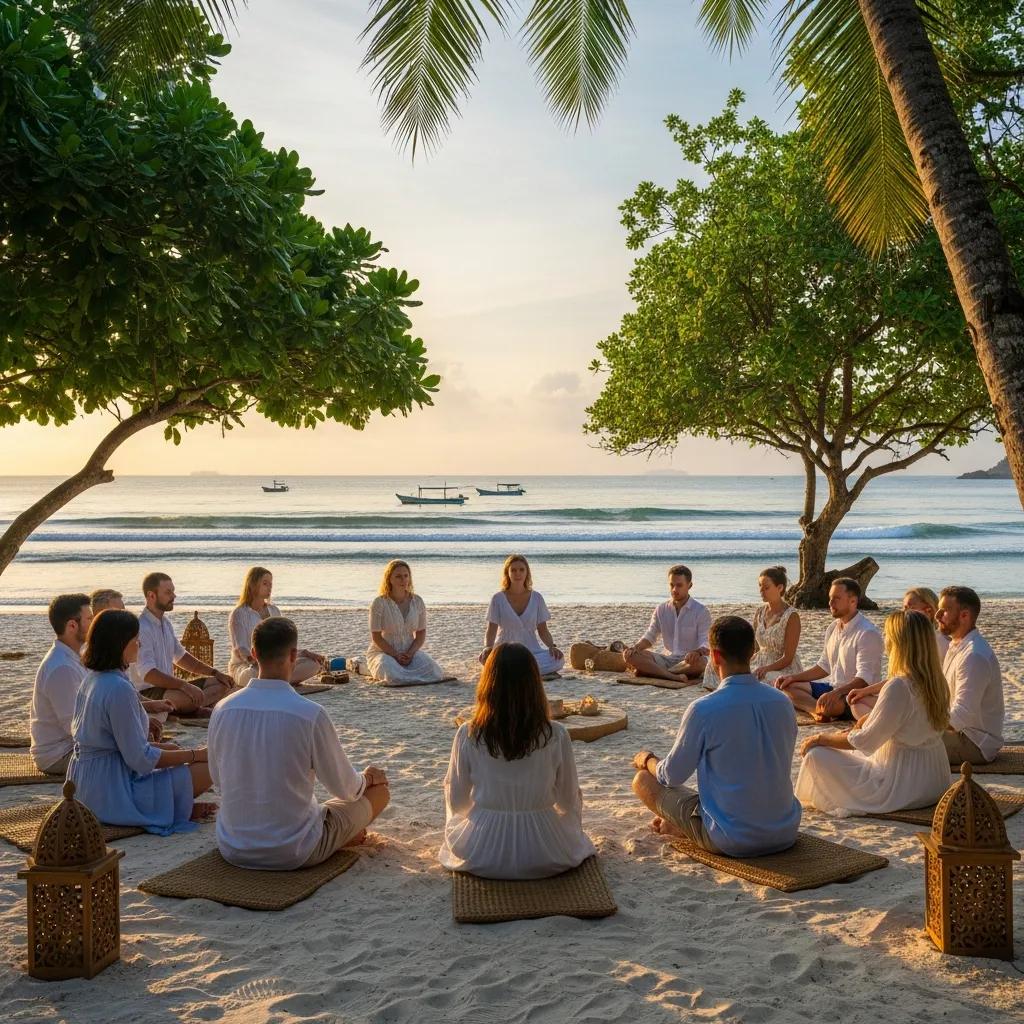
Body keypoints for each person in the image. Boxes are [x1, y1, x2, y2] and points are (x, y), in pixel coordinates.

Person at [209, 617, 390, 869]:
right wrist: (369, 778)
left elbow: (218, 781)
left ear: (253, 654)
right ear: (294, 655)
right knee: (378, 793)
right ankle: (339, 838)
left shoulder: (222, 709)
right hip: (293, 849)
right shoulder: (309, 714)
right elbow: (346, 789)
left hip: (233, 846)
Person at [631, 616, 800, 855]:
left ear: (715, 656)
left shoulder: (704, 709)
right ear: (752, 652)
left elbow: (671, 776)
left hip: (732, 838)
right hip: (785, 831)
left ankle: (684, 825)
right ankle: (683, 823)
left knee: (643, 780)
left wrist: (647, 759)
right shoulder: (782, 702)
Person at [439, 642, 595, 878]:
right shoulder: (556, 733)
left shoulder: (469, 734)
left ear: (488, 686)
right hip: (544, 852)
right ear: (535, 685)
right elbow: (567, 800)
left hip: (482, 853)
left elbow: (458, 801)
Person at [68, 609, 212, 834]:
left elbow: (115, 744)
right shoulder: (117, 687)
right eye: (135, 639)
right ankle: (167, 810)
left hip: (86, 783)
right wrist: (196, 754)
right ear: (121, 644)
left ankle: (176, 806)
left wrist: (171, 748)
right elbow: (140, 759)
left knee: (175, 750)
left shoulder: (93, 678)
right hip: (111, 793)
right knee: (209, 766)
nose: (139, 644)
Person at [796, 610, 951, 816]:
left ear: (899, 644)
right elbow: (907, 719)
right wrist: (868, 720)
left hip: (902, 786)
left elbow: (865, 741)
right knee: (849, 747)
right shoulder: (937, 682)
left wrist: (820, 738)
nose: (886, 642)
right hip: (935, 778)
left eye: (889, 637)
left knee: (816, 755)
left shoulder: (899, 686)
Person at [774, 578, 883, 721]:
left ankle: (822, 710)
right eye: (830, 598)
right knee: (788, 686)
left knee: (832, 705)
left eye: (837, 598)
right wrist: (793, 677)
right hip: (833, 687)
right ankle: (816, 711)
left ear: (853, 601)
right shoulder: (833, 628)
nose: (830, 603)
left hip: (856, 695)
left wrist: (836, 693)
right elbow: (824, 666)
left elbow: (864, 679)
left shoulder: (867, 633)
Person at [130, 572, 233, 713]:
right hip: (149, 692)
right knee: (189, 697)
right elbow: (148, 674)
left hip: (171, 688)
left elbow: (181, 657)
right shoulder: (142, 627)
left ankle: (193, 708)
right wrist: (184, 686)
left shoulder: (165, 623)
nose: (173, 596)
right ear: (151, 595)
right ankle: (192, 708)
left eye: (173, 591)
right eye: (168, 592)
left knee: (223, 684)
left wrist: (215, 673)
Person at [847, 586, 948, 720]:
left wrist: (867, 691)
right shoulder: (916, 641)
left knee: (861, 704)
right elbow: (902, 678)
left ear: (928, 611)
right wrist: (865, 691)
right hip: (912, 702)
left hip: (924, 707)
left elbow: (908, 681)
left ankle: (878, 729)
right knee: (858, 701)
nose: (903, 613)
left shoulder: (936, 642)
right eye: (903, 608)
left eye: (908, 608)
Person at [701, 566, 801, 690]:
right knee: (713, 665)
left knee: (764, 678)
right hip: (759, 661)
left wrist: (766, 668)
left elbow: (788, 658)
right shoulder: (760, 612)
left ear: (780, 588)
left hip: (781, 666)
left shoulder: (791, 616)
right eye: (760, 586)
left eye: (766, 587)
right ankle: (725, 694)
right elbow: (754, 647)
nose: (761, 591)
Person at [936, 585, 1004, 765]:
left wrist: (923, 724)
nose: (937, 616)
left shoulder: (974, 655)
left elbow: (961, 716)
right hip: (959, 733)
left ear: (964, 615)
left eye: (944, 611)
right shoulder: (957, 646)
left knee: (904, 742)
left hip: (974, 742)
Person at [227, 567, 324, 687]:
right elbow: (241, 649)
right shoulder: (239, 613)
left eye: (271, 584)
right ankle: (280, 680)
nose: (270, 587)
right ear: (252, 585)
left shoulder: (274, 611)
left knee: (313, 664)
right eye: (265, 583)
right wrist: (258, 663)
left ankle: (271, 681)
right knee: (253, 674)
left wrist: (305, 653)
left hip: (276, 664)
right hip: (246, 666)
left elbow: (283, 645)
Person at [29, 594, 92, 774]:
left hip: (71, 745)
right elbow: (76, 728)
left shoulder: (73, 656)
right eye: (89, 619)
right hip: (58, 754)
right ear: (72, 626)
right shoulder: (62, 668)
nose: (94, 623)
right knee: (125, 759)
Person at [624, 565, 711, 683]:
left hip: (688, 661)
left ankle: (657, 672)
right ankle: (672, 676)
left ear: (689, 585)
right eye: (671, 585)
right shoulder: (661, 609)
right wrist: (635, 648)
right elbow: (650, 636)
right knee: (630, 656)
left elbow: (705, 642)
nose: (674, 589)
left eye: (679, 585)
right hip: (666, 659)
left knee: (702, 663)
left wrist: (697, 652)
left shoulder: (701, 611)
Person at [480, 555, 564, 676]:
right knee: (486, 659)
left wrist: (552, 646)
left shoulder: (537, 598)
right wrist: (487, 647)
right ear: (507, 573)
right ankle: (525, 672)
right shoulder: (498, 598)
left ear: (527, 572)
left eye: (521, 570)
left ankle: (512, 672)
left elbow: (543, 630)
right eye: (513, 570)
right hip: (504, 651)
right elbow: (491, 629)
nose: (517, 573)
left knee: (558, 660)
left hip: (531, 651)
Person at [366, 560, 446, 684]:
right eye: (398, 576)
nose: (403, 580)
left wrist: (410, 653)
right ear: (389, 579)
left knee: (435, 671)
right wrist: (396, 655)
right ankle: (362, 666)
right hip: (385, 652)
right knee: (391, 674)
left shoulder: (417, 601)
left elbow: (421, 633)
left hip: (410, 652)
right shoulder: (379, 603)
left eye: (406, 576)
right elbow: (376, 637)